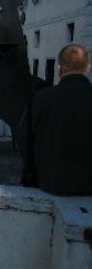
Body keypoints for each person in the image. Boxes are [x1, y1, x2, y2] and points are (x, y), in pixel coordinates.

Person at [29, 44, 92, 195]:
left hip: (52, 185)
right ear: (88, 68)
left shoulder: (42, 99)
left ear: (60, 69)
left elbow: (31, 141)